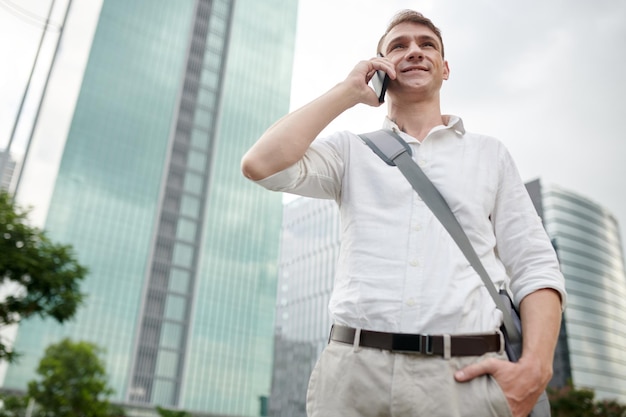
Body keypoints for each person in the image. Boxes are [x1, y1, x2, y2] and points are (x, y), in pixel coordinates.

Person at [241, 9, 566, 417]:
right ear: (381, 68)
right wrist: (346, 92)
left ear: (444, 68)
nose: (414, 51)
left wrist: (536, 368)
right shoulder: (349, 151)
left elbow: (535, 264)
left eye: (426, 45)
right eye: (398, 46)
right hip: (353, 377)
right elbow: (261, 165)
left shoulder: (490, 154)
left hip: (463, 377)